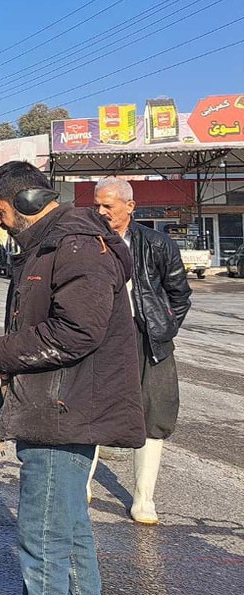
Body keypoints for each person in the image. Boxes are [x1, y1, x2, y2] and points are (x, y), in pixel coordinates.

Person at [0, 161, 145, 595]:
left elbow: (77, 331)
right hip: (58, 408)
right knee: (68, 536)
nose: (0, 222)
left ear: (27, 201)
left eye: (1, 211)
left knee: (43, 544)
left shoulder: (75, 245)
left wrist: (1, 353)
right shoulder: (55, 244)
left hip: (61, 413)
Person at [89, 176, 191, 524]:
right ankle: (81, 485)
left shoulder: (158, 244)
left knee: (154, 415)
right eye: (97, 205)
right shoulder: (87, 242)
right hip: (99, 337)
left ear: (130, 206)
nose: (101, 212)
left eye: (108, 206)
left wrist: (164, 328)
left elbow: (180, 294)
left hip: (149, 339)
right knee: (90, 408)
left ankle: (143, 499)